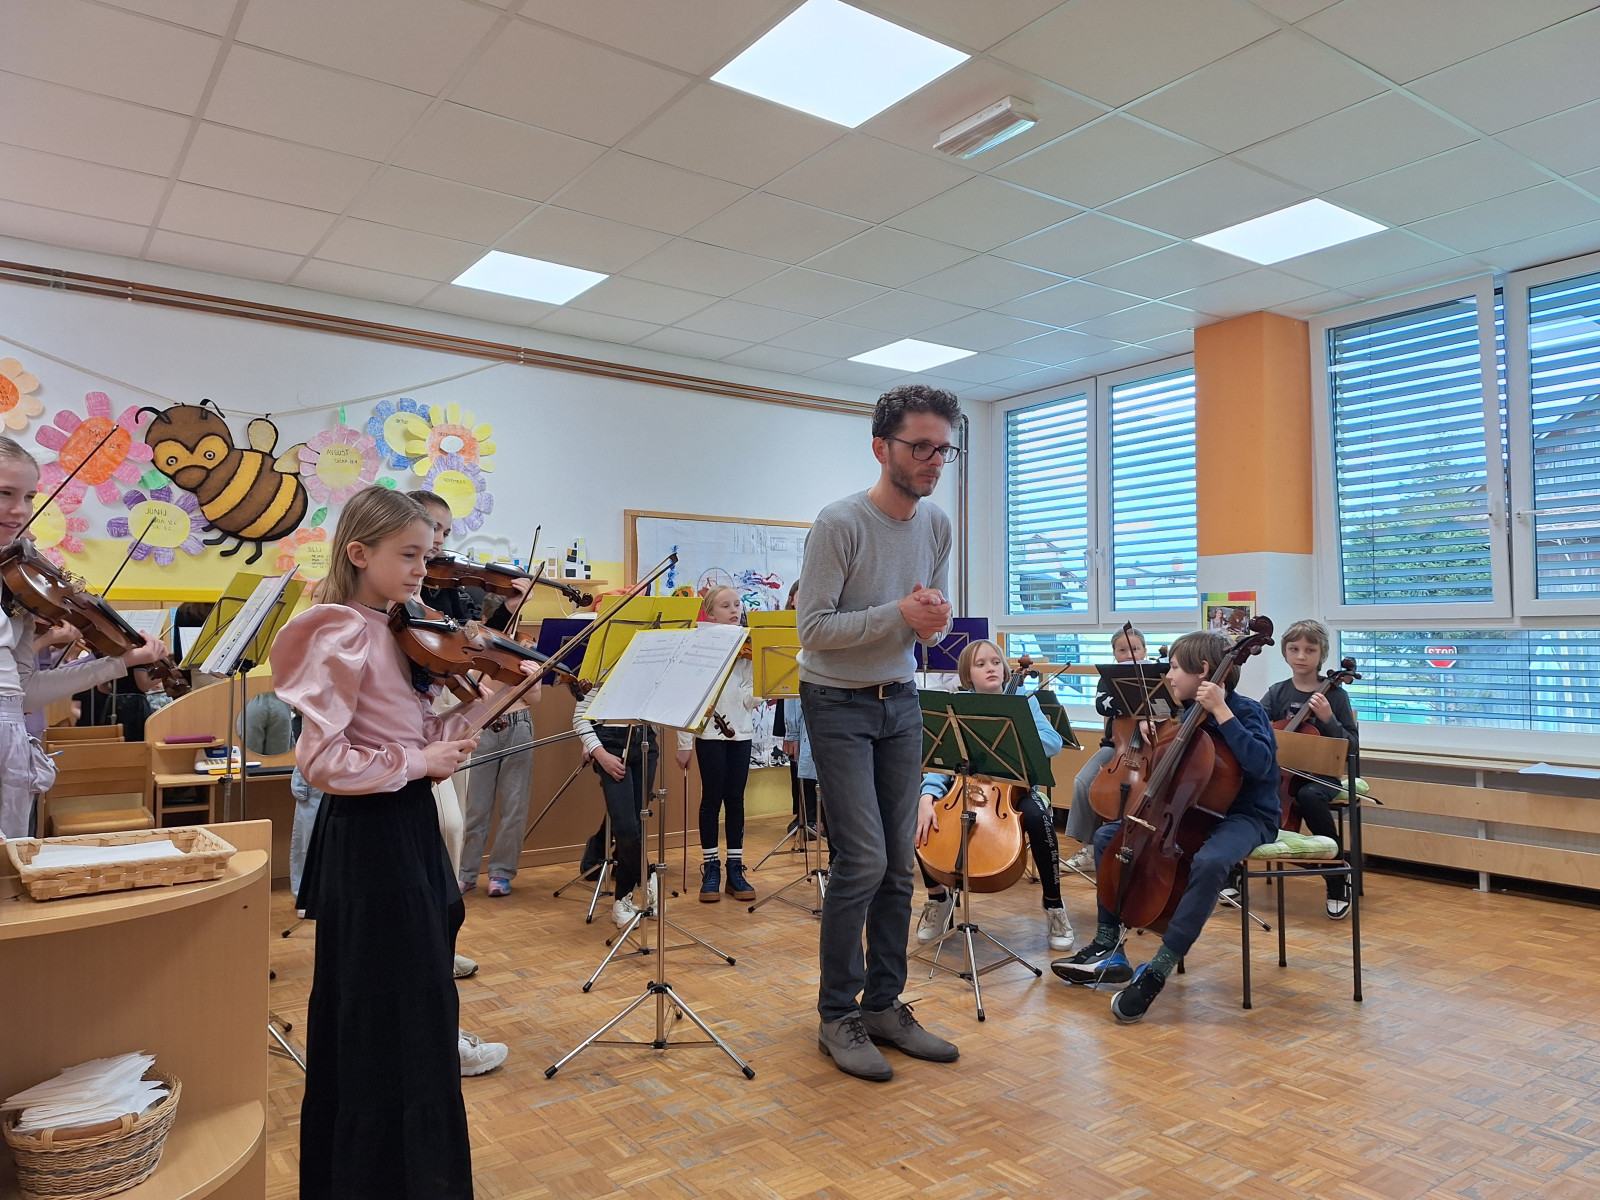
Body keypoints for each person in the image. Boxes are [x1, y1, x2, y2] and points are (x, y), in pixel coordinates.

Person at [273, 486, 541, 1200]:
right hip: (370, 842)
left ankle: (420, 1179)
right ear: (360, 553)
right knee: (380, 1012)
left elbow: (427, 735)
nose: (425, 569)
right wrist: (419, 762)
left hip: (408, 828)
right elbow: (323, 763)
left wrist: (498, 696)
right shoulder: (338, 630)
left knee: (423, 1007)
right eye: (410, 554)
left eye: (428, 554)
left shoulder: (400, 630)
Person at [797, 383, 963, 1082]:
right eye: (920, 446)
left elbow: (931, 629)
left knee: (899, 861)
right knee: (862, 860)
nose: (934, 460)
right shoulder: (839, 523)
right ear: (880, 448)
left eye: (944, 449)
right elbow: (814, 630)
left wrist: (932, 621)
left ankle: (884, 1005)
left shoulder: (938, 525)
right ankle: (837, 1014)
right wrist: (900, 613)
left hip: (901, 701)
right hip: (835, 702)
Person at [1051, 629, 1280, 1025]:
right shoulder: (1188, 713)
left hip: (1247, 816)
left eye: (1174, 668)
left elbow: (1262, 765)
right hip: (1194, 813)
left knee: (1210, 862)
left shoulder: (1245, 711)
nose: (1168, 676)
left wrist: (1223, 713)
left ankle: (1158, 969)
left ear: (1203, 671)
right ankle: (1108, 945)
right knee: (1108, 836)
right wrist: (1157, 736)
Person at [0, 437, 168, 839]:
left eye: (29, 497)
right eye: (4, 494)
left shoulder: (14, 590)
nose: (20, 512)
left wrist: (121, 662)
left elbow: (22, 695)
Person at [914, 640, 1073, 952]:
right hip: (964, 788)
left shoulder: (1024, 701)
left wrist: (1019, 734)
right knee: (917, 814)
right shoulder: (958, 704)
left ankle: (1054, 905)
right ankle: (937, 898)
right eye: (980, 664)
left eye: (995, 662)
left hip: (1013, 794)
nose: (990, 668)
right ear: (967, 675)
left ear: (1004, 669)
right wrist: (927, 796)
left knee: (1039, 818)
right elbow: (941, 759)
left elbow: (1053, 742)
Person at [1261, 619, 1357, 919]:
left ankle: (1337, 879)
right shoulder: (1277, 692)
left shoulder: (1335, 695)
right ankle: (1232, 873)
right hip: (1282, 775)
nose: (1301, 656)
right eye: (1294, 649)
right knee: (1242, 790)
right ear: (1285, 653)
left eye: (1309, 650)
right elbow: (1256, 725)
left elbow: (1352, 746)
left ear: (1321, 654)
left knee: (1309, 795)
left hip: (1321, 777)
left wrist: (1328, 719)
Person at [676, 584, 759, 902]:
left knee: (736, 799)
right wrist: (684, 743)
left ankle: (735, 869)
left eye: (737, 604)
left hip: (741, 732)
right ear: (709, 614)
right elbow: (687, 695)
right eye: (726, 606)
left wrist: (764, 687)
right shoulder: (699, 645)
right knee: (711, 799)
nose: (735, 610)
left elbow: (749, 694)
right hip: (709, 733)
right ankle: (711, 868)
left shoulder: (748, 645)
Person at [456, 587, 537, 898]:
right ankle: (466, 873)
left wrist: (531, 680)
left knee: (515, 806)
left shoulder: (525, 648)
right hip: (483, 729)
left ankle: (502, 872)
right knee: (477, 806)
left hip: (519, 726)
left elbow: (536, 698)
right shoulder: (474, 648)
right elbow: (470, 693)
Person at [1063, 626, 1150, 876]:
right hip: (1117, 747)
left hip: (1150, 749)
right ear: (1114, 654)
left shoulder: (1157, 675)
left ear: (1145, 650)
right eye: (1122, 651)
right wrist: (1131, 701)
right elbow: (1103, 705)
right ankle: (1090, 849)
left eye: (1135, 649)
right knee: (1083, 782)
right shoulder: (1110, 677)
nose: (1129, 654)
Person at [575, 675, 659, 931]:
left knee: (638, 823)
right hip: (610, 745)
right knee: (624, 827)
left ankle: (623, 899)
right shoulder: (602, 666)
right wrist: (600, 754)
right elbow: (580, 717)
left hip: (645, 742)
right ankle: (646, 876)